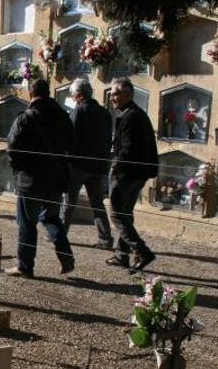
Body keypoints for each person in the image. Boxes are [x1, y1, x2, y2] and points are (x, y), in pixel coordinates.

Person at [5, 78, 75, 278]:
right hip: (55, 179)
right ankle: (66, 255)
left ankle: (25, 266)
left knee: (27, 223)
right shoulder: (63, 116)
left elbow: (12, 148)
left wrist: (19, 171)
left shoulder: (25, 117)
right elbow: (72, 144)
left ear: (30, 93)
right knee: (51, 217)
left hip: (30, 180)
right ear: (49, 92)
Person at [107, 77, 159, 271]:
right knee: (125, 213)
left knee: (117, 215)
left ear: (128, 94)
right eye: (111, 93)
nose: (112, 97)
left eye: (116, 93)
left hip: (127, 173)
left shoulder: (130, 116)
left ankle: (142, 251)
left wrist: (115, 165)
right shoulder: (134, 113)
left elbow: (128, 148)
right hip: (137, 173)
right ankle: (122, 255)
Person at [61, 78, 114, 250]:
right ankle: (105, 238)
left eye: (73, 95)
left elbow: (71, 138)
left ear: (79, 95)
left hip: (78, 165)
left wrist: (67, 159)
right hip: (98, 165)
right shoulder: (104, 112)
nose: (73, 98)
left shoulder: (79, 111)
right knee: (97, 202)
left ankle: (60, 234)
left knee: (69, 201)